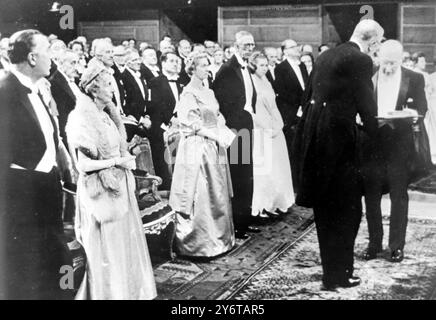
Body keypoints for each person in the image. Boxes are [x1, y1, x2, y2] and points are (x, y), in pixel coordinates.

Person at [295, 19, 384, 290]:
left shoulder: (326, 55)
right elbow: (368, 106)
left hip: (315, 138)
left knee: (326, 210)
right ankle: (340, 274)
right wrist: (378, 137)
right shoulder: (360, 59)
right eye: (376, 45)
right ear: (371, 42)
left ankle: (331, 272)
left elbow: (308, 96)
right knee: (349, 210)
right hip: (339, 143)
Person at [65, 62, 156, 300]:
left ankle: (127, 292)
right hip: (100, 193)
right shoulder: (80, 118)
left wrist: (126, 157)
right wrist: (116, 162)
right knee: (107, 250)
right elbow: (83, 166)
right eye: (107, 85)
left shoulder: (107, 116)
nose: (112, 89)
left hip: (119, 187)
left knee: (123, 244)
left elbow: (116, 150)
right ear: (93, 90)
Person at [0, 29, 72, 299]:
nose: (52, 59)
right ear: (32, 57)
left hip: (47, 186)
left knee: (52, 259)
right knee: (24, 267)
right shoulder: (5, 92)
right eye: (47, 52)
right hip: (21, 194)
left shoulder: (38, 88)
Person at [361, 40, 430, 264]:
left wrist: (409, 113)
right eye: (384, 63)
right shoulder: (367, 74)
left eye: (393, 63)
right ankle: (374, 243)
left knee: (398, 196)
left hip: (400, 145)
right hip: (372, 143)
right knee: (371, 195)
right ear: (378, 58)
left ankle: (396, 247)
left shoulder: (415, 77)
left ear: (401, 60)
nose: (388, 68)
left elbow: (422, 108)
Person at [170, 52, 235, 258]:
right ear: (192, 69)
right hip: (197, 146)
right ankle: (200, 243)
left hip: (213, 145)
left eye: (209, 65)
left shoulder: (209, 91)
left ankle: (220, 239)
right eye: (204, 66)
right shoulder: (188, 93)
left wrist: (224, 131)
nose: (208, 68)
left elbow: (217, 116)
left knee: (217, 191)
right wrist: (214, 135)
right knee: (201, 191)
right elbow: (191, 124)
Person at [213, 30, 260, 240]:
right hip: (235, 130)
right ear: (236, 46)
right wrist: (238, 126)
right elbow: (223, 104)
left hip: (246, 127)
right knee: (239, 176)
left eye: (251, 45)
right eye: (245, 45)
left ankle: (245, 221)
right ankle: (238, 225)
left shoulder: (246, 67)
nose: (249, 48)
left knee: (247, 175)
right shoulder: (226, 70)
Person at [249, 52, 295, 219]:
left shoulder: (267, 81)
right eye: (261, 65)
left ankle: (276, 201)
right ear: (254, 66)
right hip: (260, 127)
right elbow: (251, 109)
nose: (265, 68)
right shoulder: (251, 81)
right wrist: (264, 126)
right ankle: (263, 205)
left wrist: (278, 124)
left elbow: (274, 106)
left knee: (278, 166)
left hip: (272, 125)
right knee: (265, 167)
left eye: (266, 65)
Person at [275, 39, 309, 191]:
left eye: (297, 46)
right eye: (293, 47)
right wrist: (297, 108)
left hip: (304, 111)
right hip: (291, 113)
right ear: (285, 51)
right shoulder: (281, 68)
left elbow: (306, 87)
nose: (297, 49)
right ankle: (294, 184)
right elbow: (283, 93)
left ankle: (303, 182)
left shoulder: (301, 65)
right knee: (292, 149)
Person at [148, 52, 183, 190]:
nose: (175, 64)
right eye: (172, 61)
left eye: (177, 61)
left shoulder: (181, 82)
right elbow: (155, 107)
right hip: (162, 124)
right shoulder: (155, 82)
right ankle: (168, 185)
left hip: (181, 123)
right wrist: (170, 120)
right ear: (163, 63)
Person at [122, 49, 151, 141]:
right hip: (133, 120)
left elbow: (145, 99)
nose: (138, 62)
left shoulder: (140, 75)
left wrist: (147, 116)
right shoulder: (124, 77)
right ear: (127, 62)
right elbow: (127, 104)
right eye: (134, 60)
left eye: (139, 59)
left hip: (144, 118)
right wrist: (141, 120)